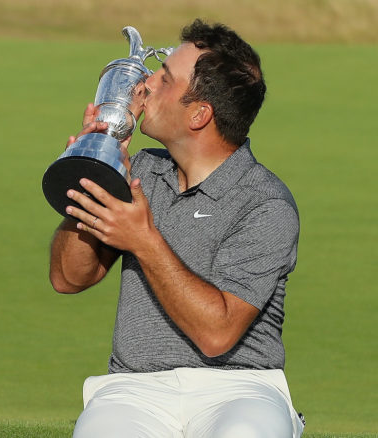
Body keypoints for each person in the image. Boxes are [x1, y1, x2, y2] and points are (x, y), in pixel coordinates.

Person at [49, 19, 305, 438]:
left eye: (165, 79)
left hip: (242, 388)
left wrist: (143, 240)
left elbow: (216, 334)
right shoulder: (141, 172)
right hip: (134, 389)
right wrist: (95, 165)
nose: (145, 85)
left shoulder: (265, 203)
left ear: (199, 114)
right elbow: (69, 278)